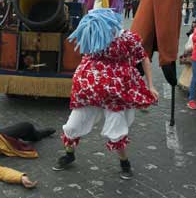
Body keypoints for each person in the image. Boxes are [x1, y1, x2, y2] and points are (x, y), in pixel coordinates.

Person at [52, 9, 159, 180]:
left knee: (117, 130)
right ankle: (69, 155)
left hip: (115, 95)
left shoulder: (126, 38)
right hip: (88, 93)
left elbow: (144, 58)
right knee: (72, 126)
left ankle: (125, 163)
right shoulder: (91, 33)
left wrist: (151, 85)